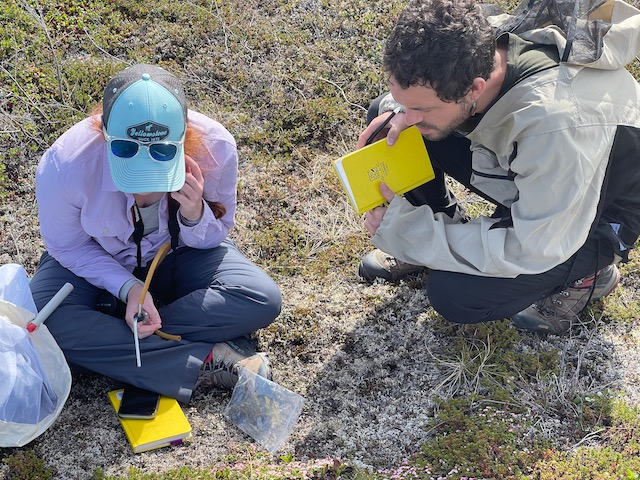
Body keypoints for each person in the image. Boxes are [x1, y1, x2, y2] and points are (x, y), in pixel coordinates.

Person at [357, 0, 640, 335]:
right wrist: (399, 111)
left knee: (455, 295)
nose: (408, 114)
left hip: (593, 214)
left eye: (420, 107)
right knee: (390, 125)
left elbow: (531, 248)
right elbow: (416, 106)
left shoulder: (556, 125)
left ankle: (589, 272)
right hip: (538, 172)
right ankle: (440, 230)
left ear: (475, 88)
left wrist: (410, 234)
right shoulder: (474, 46)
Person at [29, 64, 282, 404]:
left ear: (183, 137)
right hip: (93, 262)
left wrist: (194, 214)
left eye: (162, 158)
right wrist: (128, 287)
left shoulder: (215, 148)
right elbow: (68, 246)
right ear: (104, 133)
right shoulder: (65, 165)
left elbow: (215, 235)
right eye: (127, 164)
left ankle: (112, 334)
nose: (143, 193)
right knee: (40, 323)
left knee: (259, 298)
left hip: (179, 256)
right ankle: (206, 358)